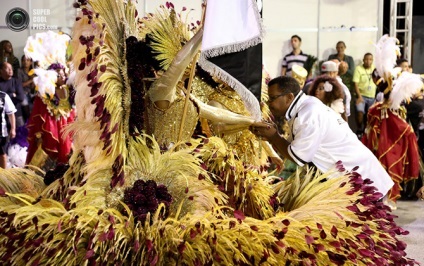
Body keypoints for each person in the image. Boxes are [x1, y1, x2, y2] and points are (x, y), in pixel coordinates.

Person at [249, 76, 394, 197]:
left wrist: (273, 136)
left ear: (289, 97)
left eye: (273, 98)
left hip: (364, 182)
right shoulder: (306, 107)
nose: (269, 104)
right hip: (355, 179)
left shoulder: (308, 113)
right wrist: (272, 136)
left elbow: (298, 156)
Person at [25, 63, 75, 170]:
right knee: (48, 163)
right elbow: (38, 116)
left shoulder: (68, 91)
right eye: (59, 76)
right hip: (51, 131)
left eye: (64, 75)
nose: (63, 78)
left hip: (65, 130)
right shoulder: (44, 94)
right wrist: (39, 136)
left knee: (67, 158)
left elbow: (72, 113)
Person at [352, 53, 376, 138]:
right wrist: (359, 96)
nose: (368, 61)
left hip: (372, 97)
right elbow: (355, 83)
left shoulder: (374, 69)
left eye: (370, 59)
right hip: (361, 96)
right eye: (366, 59)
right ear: (363, 60)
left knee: (370, 116)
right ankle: (359, 129)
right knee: (360, 112)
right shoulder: (359, 69)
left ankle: (367, 132)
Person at [0, 62, 25, 127]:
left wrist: (5, 96)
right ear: (1, 70)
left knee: (21, 134)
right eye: (7, 68)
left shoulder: (16, 81)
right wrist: (12, 94)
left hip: (17, 113)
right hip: (3, 115)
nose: (10, 70)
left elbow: (21, 97)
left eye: (11, 68)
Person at [0, 91, 16, 168]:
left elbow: (11, 114)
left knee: (2, 154)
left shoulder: (3, 96)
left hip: (1, 131)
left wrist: (13, 129)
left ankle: (3, 176)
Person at [17, 55, 35, 123]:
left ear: (31, 62)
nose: (25, 62)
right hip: (23, 92)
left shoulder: (33, 71)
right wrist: (31, 80)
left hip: (31, 92)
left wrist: (33, 82)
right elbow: (21, 85)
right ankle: (28, 122)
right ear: (21, 62)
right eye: (24, 60)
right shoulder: (19, 71)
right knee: (24, 103)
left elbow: (32, 88)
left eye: (27, 60)